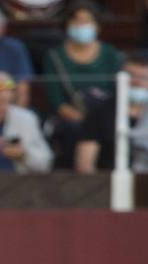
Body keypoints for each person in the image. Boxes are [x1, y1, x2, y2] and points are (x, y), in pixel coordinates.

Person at [43, 1, 123, 169]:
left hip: (106, 117)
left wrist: (98, 120)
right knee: (74, 130)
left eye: (87, 21)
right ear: (67, 24)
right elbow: (56, 101)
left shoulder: (111, 54)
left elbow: (117, 92)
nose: (81, 25)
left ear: (97, 25)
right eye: (76, 20)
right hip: (72, 118)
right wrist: (86, 120)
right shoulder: (54, 57)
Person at [75, 51, 148, 173]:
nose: (137, 82)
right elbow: (85, 165)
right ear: (118, 79)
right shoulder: (100, 111)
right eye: (131, 76)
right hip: (111, 179)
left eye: (144, 77)